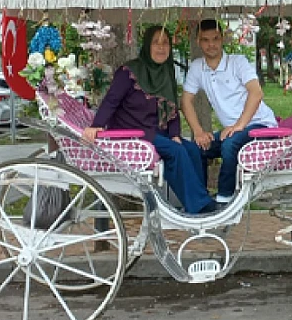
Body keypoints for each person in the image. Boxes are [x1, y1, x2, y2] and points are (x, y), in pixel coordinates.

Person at [83, 25, 215, 215]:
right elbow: (111, 100)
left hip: (155, 132)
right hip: (131, 133)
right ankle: (199, 206)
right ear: (147, 46)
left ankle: (199, 199)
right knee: (176, 152)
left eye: (165, 43)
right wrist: (96, 125)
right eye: (156, 43)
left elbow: (172, 107)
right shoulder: (129, 71)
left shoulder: (166, 72)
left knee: (192, 149)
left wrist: (175, 133)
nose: (161, 48)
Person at [181, 19, 278, 205]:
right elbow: (186, 101)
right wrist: (199, 132)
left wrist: (239, 125)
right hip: (235, 130)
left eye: (216, 38)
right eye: (205, 40)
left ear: (223, 38)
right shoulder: (197, 67)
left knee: (229, 146)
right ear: (198, 42)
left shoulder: (238, 62)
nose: (211, 44)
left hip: (260, 125)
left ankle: (225, 200)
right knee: (197, 149)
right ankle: (201, 199)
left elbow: (256, 93)